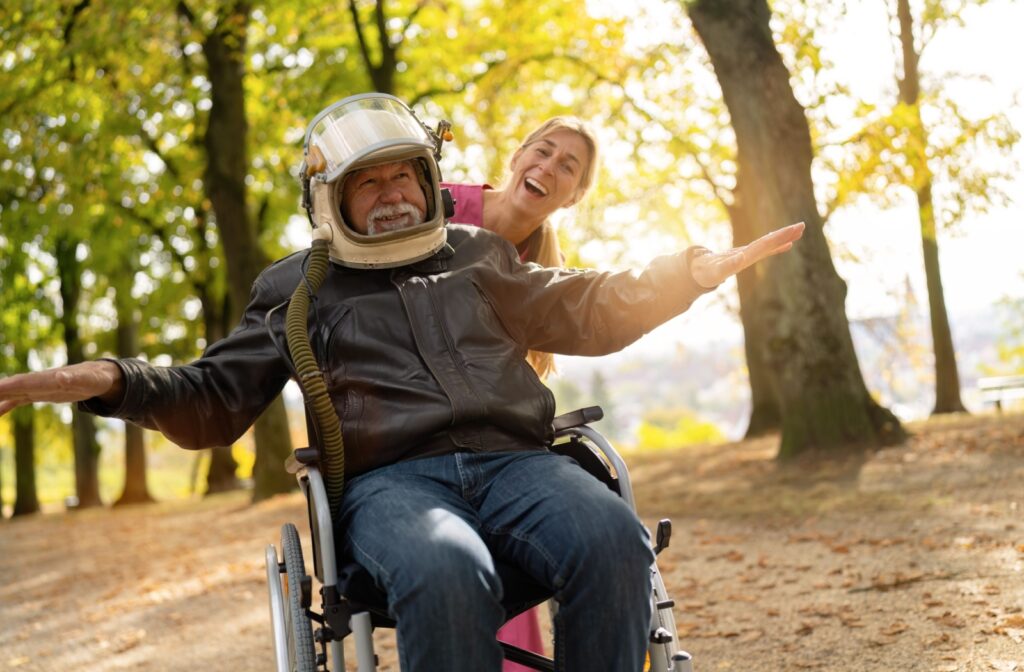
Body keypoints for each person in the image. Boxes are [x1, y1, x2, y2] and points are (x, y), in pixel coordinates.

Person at [0, 93, 804, 672]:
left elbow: (586, 303)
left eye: (404, 179)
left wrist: (684, 272)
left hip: (520, 462)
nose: (392, 196)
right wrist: (106, 378)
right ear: (333, 197)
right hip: (392, 486)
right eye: (368, 183)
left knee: (611, 539)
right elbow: (211, 395)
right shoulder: (297, 287)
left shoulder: (479, 255)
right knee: (446, 568)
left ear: (430, 182)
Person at [442, 116, 599, 665]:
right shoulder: (437, 206)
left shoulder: (542, 269)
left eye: (567, 167)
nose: (548, 167)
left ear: (574, 196)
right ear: (517, 157)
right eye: (542, 151)